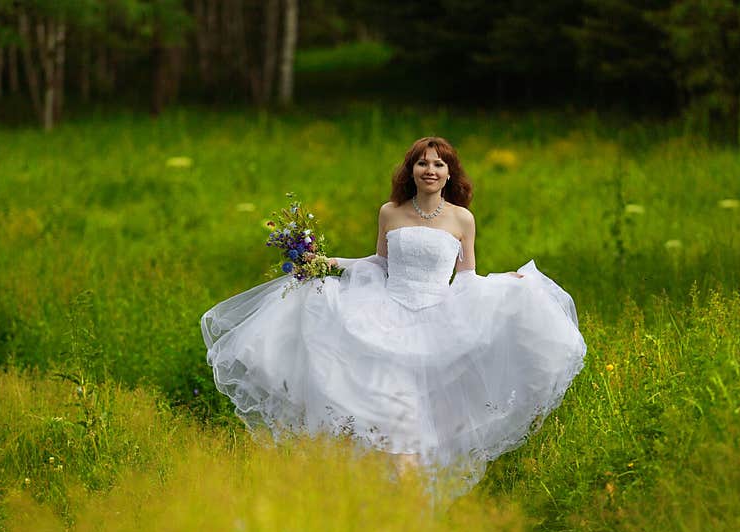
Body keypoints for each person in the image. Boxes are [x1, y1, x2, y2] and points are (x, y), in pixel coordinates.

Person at [201, 136, 586, 495]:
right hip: (385, 322)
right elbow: (380, 262)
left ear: (450, 173)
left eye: (438, 164)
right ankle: (401, 504)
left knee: (427, 429)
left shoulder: (461, 219)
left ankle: (414, 512)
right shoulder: (391, 212)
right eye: (422, 163)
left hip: (439, 324)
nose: (430, 170)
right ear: (411, 170)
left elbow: (466, 277)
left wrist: (506, 283)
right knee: (395, 426)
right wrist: (329, 263)